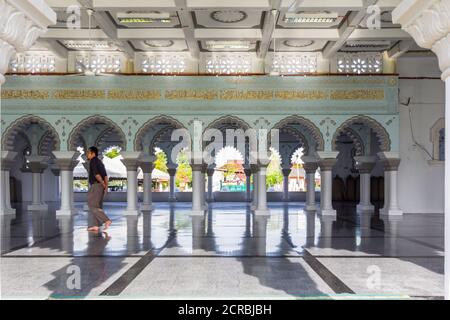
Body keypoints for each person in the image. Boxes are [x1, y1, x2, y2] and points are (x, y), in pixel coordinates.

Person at [86, 146, 112, 232]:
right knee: (97, 206)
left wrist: (103, 184)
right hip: (100, 186)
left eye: (88, 153)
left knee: (91, 205)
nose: (87, 155)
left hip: (96, 185)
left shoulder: (93, 161)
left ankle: (106, 220)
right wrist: (105, 187)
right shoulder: (100, 162)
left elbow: (97, 174)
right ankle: (95, 225)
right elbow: (105, 175)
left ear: (93, 153)